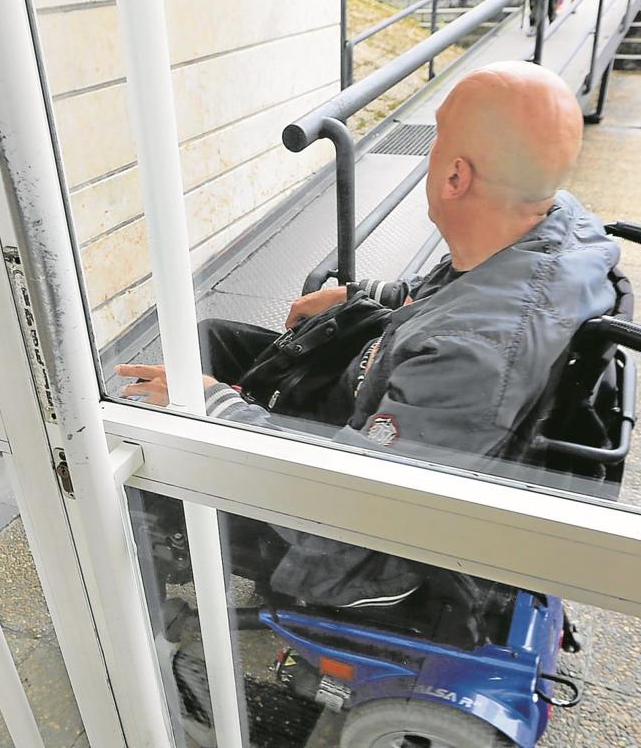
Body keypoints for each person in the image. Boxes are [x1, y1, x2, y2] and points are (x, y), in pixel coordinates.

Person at [118, 61, 620, 609]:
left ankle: (144, 623)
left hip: (352, 541)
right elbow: (464, 291)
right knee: (213, 337)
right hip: (384, 410)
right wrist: (378, 296)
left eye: (434, 141)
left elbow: (348, 500)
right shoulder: (546, 220)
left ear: (455, 178)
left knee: (150, 458)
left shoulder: (473, 357)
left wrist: (212, 405)